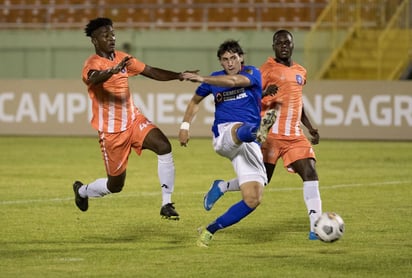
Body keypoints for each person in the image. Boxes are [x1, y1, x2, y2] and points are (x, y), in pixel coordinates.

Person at [203, 30, 322, 240]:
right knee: (261, 180)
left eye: (287, 42)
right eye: (279, 43)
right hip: (268, 135)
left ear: (293, 45)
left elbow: (296, 101)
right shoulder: (264, 70)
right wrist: (264, 95)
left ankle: (316, 227)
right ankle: (222, 186)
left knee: (310, 172)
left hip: (294, 135)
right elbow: (249, 96)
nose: (284, 46)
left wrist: (309, 126)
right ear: (274, 46)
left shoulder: (301, 71)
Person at [73, 17, 191, 220]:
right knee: (115, 185)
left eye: (112, 33)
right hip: (112, 133)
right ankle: (82, 191)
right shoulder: (92, 64)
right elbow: (92, 78)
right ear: (94, 40)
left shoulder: (123, 58)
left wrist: (179, 75)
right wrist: (111, 71)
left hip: (134, 120)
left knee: (164, 146)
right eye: (105, 35)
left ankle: (166, 203)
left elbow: (151, 71)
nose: (111, 38)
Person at [179, 40, 269, 247]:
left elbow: (234, 82)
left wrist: (202, 77)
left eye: (233, 58)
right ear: (220, 62)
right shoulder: (214, 79)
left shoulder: (252, 72)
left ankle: (210, 229)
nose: (229, 63)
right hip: (225, 134)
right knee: (240, 128)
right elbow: (195, 101)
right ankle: (257, 130)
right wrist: (185, 125)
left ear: (241, 58)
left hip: (249, 143)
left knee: (253, 199)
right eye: (225, 60)